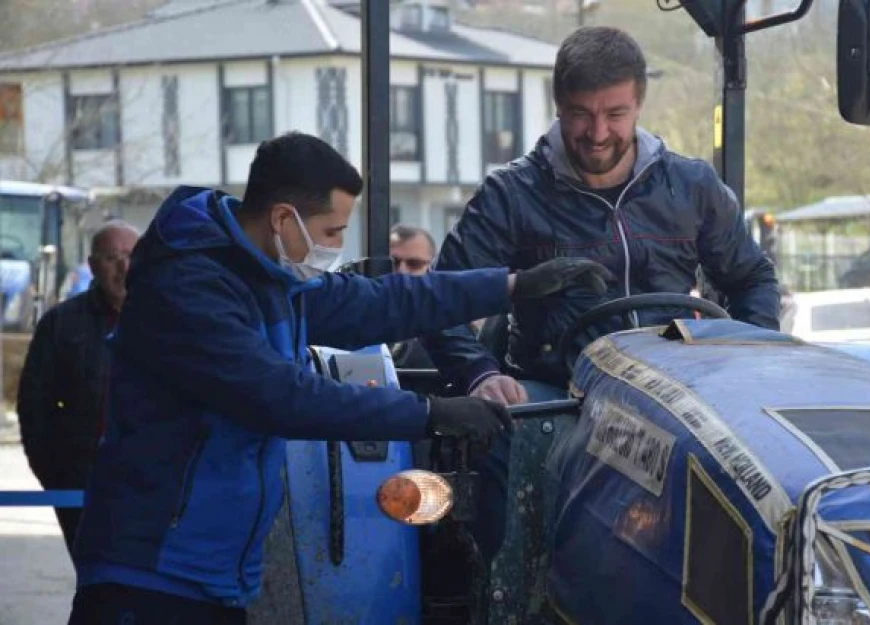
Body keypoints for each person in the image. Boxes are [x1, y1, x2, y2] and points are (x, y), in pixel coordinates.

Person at [65, 131, 610, 625]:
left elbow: (380, 302)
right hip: (150, 569)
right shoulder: (191, 290)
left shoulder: (269, 277)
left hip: (214, 573)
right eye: (330, 231)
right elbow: (282, 397)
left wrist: (511, 286)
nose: (334, 247)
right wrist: (429, 414)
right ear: (283, 220)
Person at [421, 25, 781, 560]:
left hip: (677, 385)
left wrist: (744, 357)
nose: (597, 132)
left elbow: (752, 278)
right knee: (509, 440)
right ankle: (508, 594)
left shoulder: (691, 186)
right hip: (557, 388)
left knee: (754, 463)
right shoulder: (512, 195)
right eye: (581, 114)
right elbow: (439, 302)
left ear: (638, 105)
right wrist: (482, 373)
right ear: (558, 107)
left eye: (615, 114)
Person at [16, 220, 140, 564]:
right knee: (96, 577)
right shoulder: (61, 324)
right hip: (82, 482)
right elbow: (34, 406)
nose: (124, 267)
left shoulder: (171, 317)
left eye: (131, 255)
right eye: (112, 257)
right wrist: (54, 475)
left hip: (153, 483)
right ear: (92, 265)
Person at [388, 224, 438, 369]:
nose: (402, 271)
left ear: (432, 268)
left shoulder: (451, 324)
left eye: (414, 264)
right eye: (393, 263)